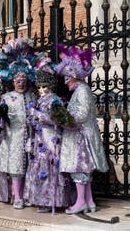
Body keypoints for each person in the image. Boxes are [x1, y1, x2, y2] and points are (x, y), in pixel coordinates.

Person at [55, 45, 109, 214]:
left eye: (67, 78)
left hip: (81, 137)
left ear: (73, 77)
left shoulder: (82, 90)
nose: (66, 82)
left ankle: (80, 203)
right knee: (84, 171)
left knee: (79, 170)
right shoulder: (81, 90)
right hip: (81, 135)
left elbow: (83, 114)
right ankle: (89, 201)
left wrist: (66, 117)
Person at [0, 37, 37, 210]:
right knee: (16, 167)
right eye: (17, 81)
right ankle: (18, 197)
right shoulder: (6, 98)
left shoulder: (32, 96)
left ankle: (29, 195)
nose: (21, 83)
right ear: (13, 81)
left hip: (30, 135)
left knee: (30, 166)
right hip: (13, 136)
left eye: (23, 80)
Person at [23, 61, 77, 213]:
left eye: (44, 86)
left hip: (51, 138)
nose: (41, 90)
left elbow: (56, 120)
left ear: (50, 86)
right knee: (39, 167)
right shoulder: (39, 100)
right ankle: (41, 200)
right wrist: (32, 119)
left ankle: (53, 200)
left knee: (51, 167)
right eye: (39, 86)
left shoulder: (55, 100)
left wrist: (37, 114)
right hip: (40, 139)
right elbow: (37, 120)